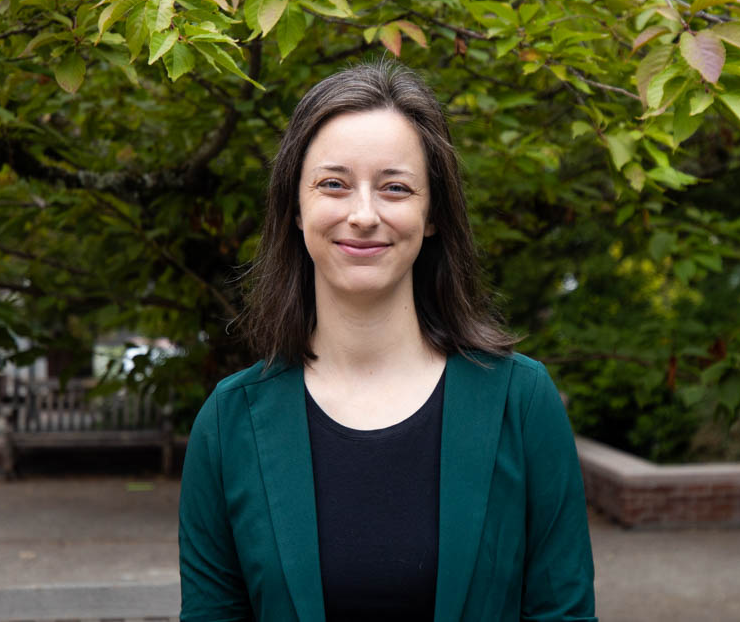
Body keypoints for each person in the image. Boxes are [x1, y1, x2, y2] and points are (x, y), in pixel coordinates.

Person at [178, 60, 595, 622]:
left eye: (395, 188)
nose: (364, 214)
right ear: (295, 210)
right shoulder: (230, 424)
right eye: (334, 184)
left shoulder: (520, 404)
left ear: (432, 215)